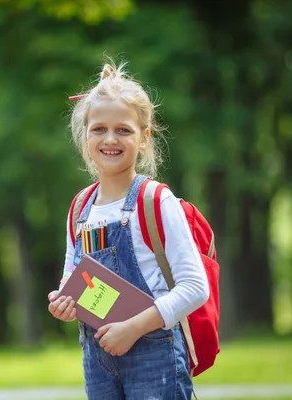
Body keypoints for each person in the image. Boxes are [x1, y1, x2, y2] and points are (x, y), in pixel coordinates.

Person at [47, 60, 210, 400]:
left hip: (155, 356)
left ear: (144, 138)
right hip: (97, 358)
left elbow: (196, 287)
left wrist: (132, 328)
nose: (110, 139)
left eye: (123, 130)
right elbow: (71, 279)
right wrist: (64, 301)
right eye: (99, 129)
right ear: (84, 135)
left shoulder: (155, 201)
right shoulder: (80, 207)